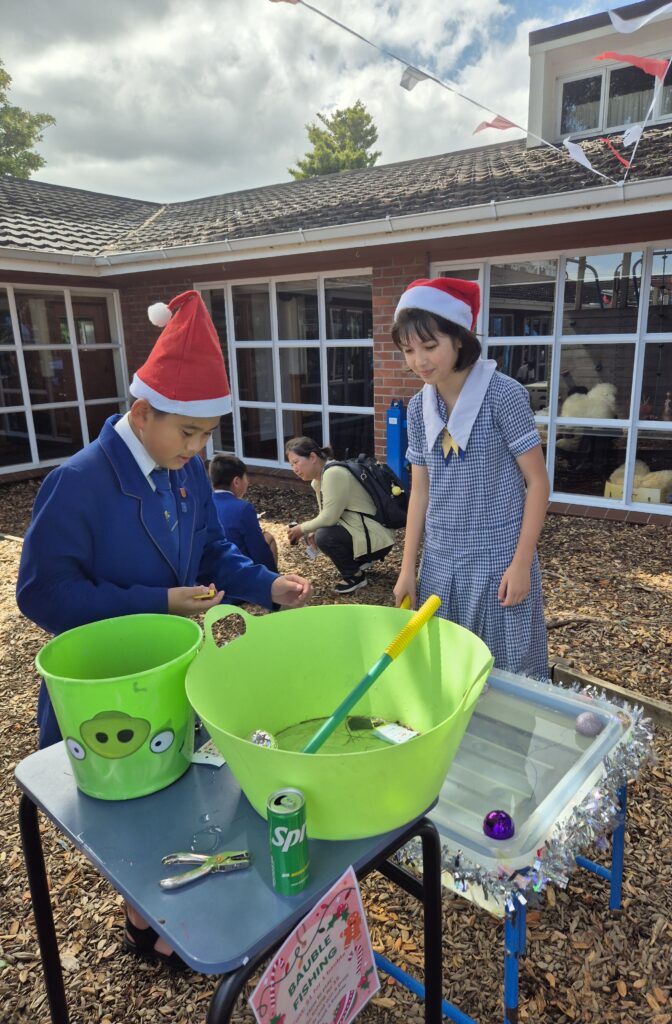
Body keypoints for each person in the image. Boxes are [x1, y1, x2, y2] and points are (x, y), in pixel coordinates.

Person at [17, 289, 311, 969]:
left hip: (178, 673)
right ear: (142, 412)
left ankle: (162, 915)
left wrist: (268, 585)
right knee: (128, 809)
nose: (198, 449)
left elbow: (211, 553)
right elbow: (42, 592)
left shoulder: (186, 478)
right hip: (108, 688)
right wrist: (156, 601)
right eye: (188, 434)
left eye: (207, 437)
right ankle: (143, 921)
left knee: (178, 798)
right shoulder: (79, 482)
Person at [390, 277, 550, 679]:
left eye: (430, 346)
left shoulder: (503, 394)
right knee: (446, 672)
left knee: (506, 672)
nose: (419, 361)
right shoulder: (416, 407)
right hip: (441, 562)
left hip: (498, 558)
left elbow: (538, 483)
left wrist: (521, 563)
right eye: (409, 350)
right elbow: (420, 490)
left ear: (459, 338)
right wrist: (408, 566)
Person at [285, 436, 394, 594]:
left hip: (377, 538)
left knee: (324, 536)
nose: (294, 469)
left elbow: (329, 517)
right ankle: (360, 560)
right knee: (319, 533)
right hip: (369, 533)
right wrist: (312, 531)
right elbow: (329, 514)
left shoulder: (333, 474)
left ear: (313, 457)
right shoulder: (319, 480)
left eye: (296, 462)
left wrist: (302, 529)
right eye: (291, 465)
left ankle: (355, 576)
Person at [209, 454, 278, 572]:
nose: (248, 483)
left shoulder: (203, 504)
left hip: (208, 572)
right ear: (236, 481)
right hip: (238, 571)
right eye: (246, 478)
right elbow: (259, 550)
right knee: (268, 538)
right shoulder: (243, 508)